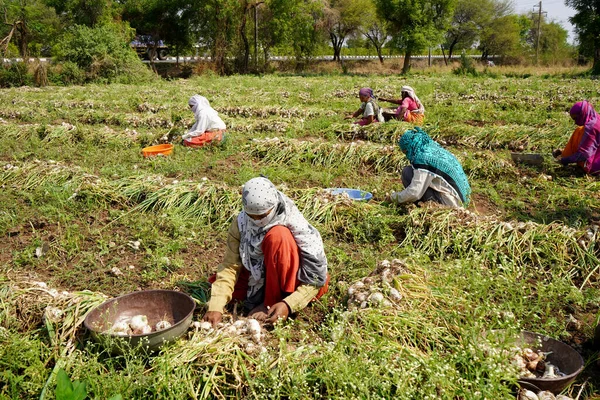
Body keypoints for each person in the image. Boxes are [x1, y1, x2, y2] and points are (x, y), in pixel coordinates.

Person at [202, 177, 329, 326]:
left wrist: (289, 304)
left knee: (278, 236)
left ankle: (272, 302)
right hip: (259, 276)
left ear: (273, 207)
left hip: (289, 275)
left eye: (262, 216)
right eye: (252, 216)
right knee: (218, 287)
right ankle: (263, 295)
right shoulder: (241, 223)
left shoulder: (294, 222)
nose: (257, 221)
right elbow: (231, 265)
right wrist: (216, 306)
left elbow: (315, 277)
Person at [390, 127, 470, 208]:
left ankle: (430, 206)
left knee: (407, 173)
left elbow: (414, 193)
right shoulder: (433, 148)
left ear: (410, 147)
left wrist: (394, 198)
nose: (407, 155)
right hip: (462, 200)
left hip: (451, 205)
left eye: (405, 151)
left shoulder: (423, 159)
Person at [553, 101, 600, 175]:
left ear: (583, 114)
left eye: (576, 118)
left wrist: (564, 160)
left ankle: (566, 155)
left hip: (596, 166)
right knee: (579, 130)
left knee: (579, 131)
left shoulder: (591, 128)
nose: (575, 122)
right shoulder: (596, 117)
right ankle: (565, 153)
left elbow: (583, 155)